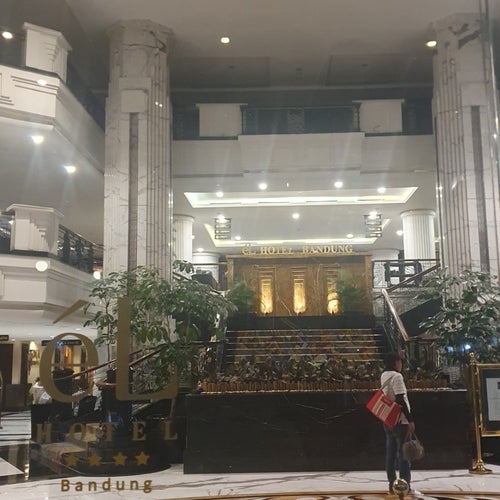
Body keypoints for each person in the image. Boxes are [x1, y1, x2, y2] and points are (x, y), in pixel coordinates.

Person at [381, 351, 415, 494]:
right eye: (400, 362)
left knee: (390, 453)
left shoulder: (384, 375)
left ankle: (391, 483)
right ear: (395, 363)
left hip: (388, 419)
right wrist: (410, 420)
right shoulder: (397, 376)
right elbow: (400, 399)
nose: (401, 364)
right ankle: (404, 485)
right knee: (403, 454)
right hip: (400, 420)